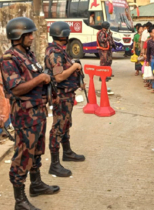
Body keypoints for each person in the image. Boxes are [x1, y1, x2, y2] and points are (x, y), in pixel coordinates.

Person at [0, 17, 60, 210]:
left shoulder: (28, 55)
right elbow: (16, 89)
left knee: (36, 150)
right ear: (18, 36)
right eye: (29, 34)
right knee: (23, 155)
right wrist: (41, 78)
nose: (32, 37)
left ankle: (36, 184)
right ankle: (19, 201)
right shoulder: (9, 59)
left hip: (38, 112)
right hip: (25, 115)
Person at [45, 21, 85, 177]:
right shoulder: (55, 53)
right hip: (61, 95)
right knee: (58, 128)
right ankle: (54, 165)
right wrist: (74, 67)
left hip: (67, 94)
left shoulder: (60, 50)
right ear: (64, 35)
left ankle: (67, 152)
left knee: (66, 124)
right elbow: (59, 76)